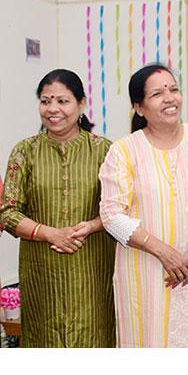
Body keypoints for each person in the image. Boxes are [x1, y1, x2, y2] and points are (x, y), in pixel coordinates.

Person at [99, 64, 188, 347]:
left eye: (173, 90)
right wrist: (164, 252)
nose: (169, 98)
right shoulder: (124, 150)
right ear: (139, 107)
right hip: (147, 272)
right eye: (157, 94)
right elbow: (111, 215)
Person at [0, 69, 116, 347]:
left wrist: (90, 226)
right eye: (45, 100)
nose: (53, 109)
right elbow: (8, 212)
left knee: (94, 339)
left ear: (81, 104)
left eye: (62, 101)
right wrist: (50, 233)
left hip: (91, 269)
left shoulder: (105, 151)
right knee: (44, 341)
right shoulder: (24, 151)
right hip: (42, 271)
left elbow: (120, 208)